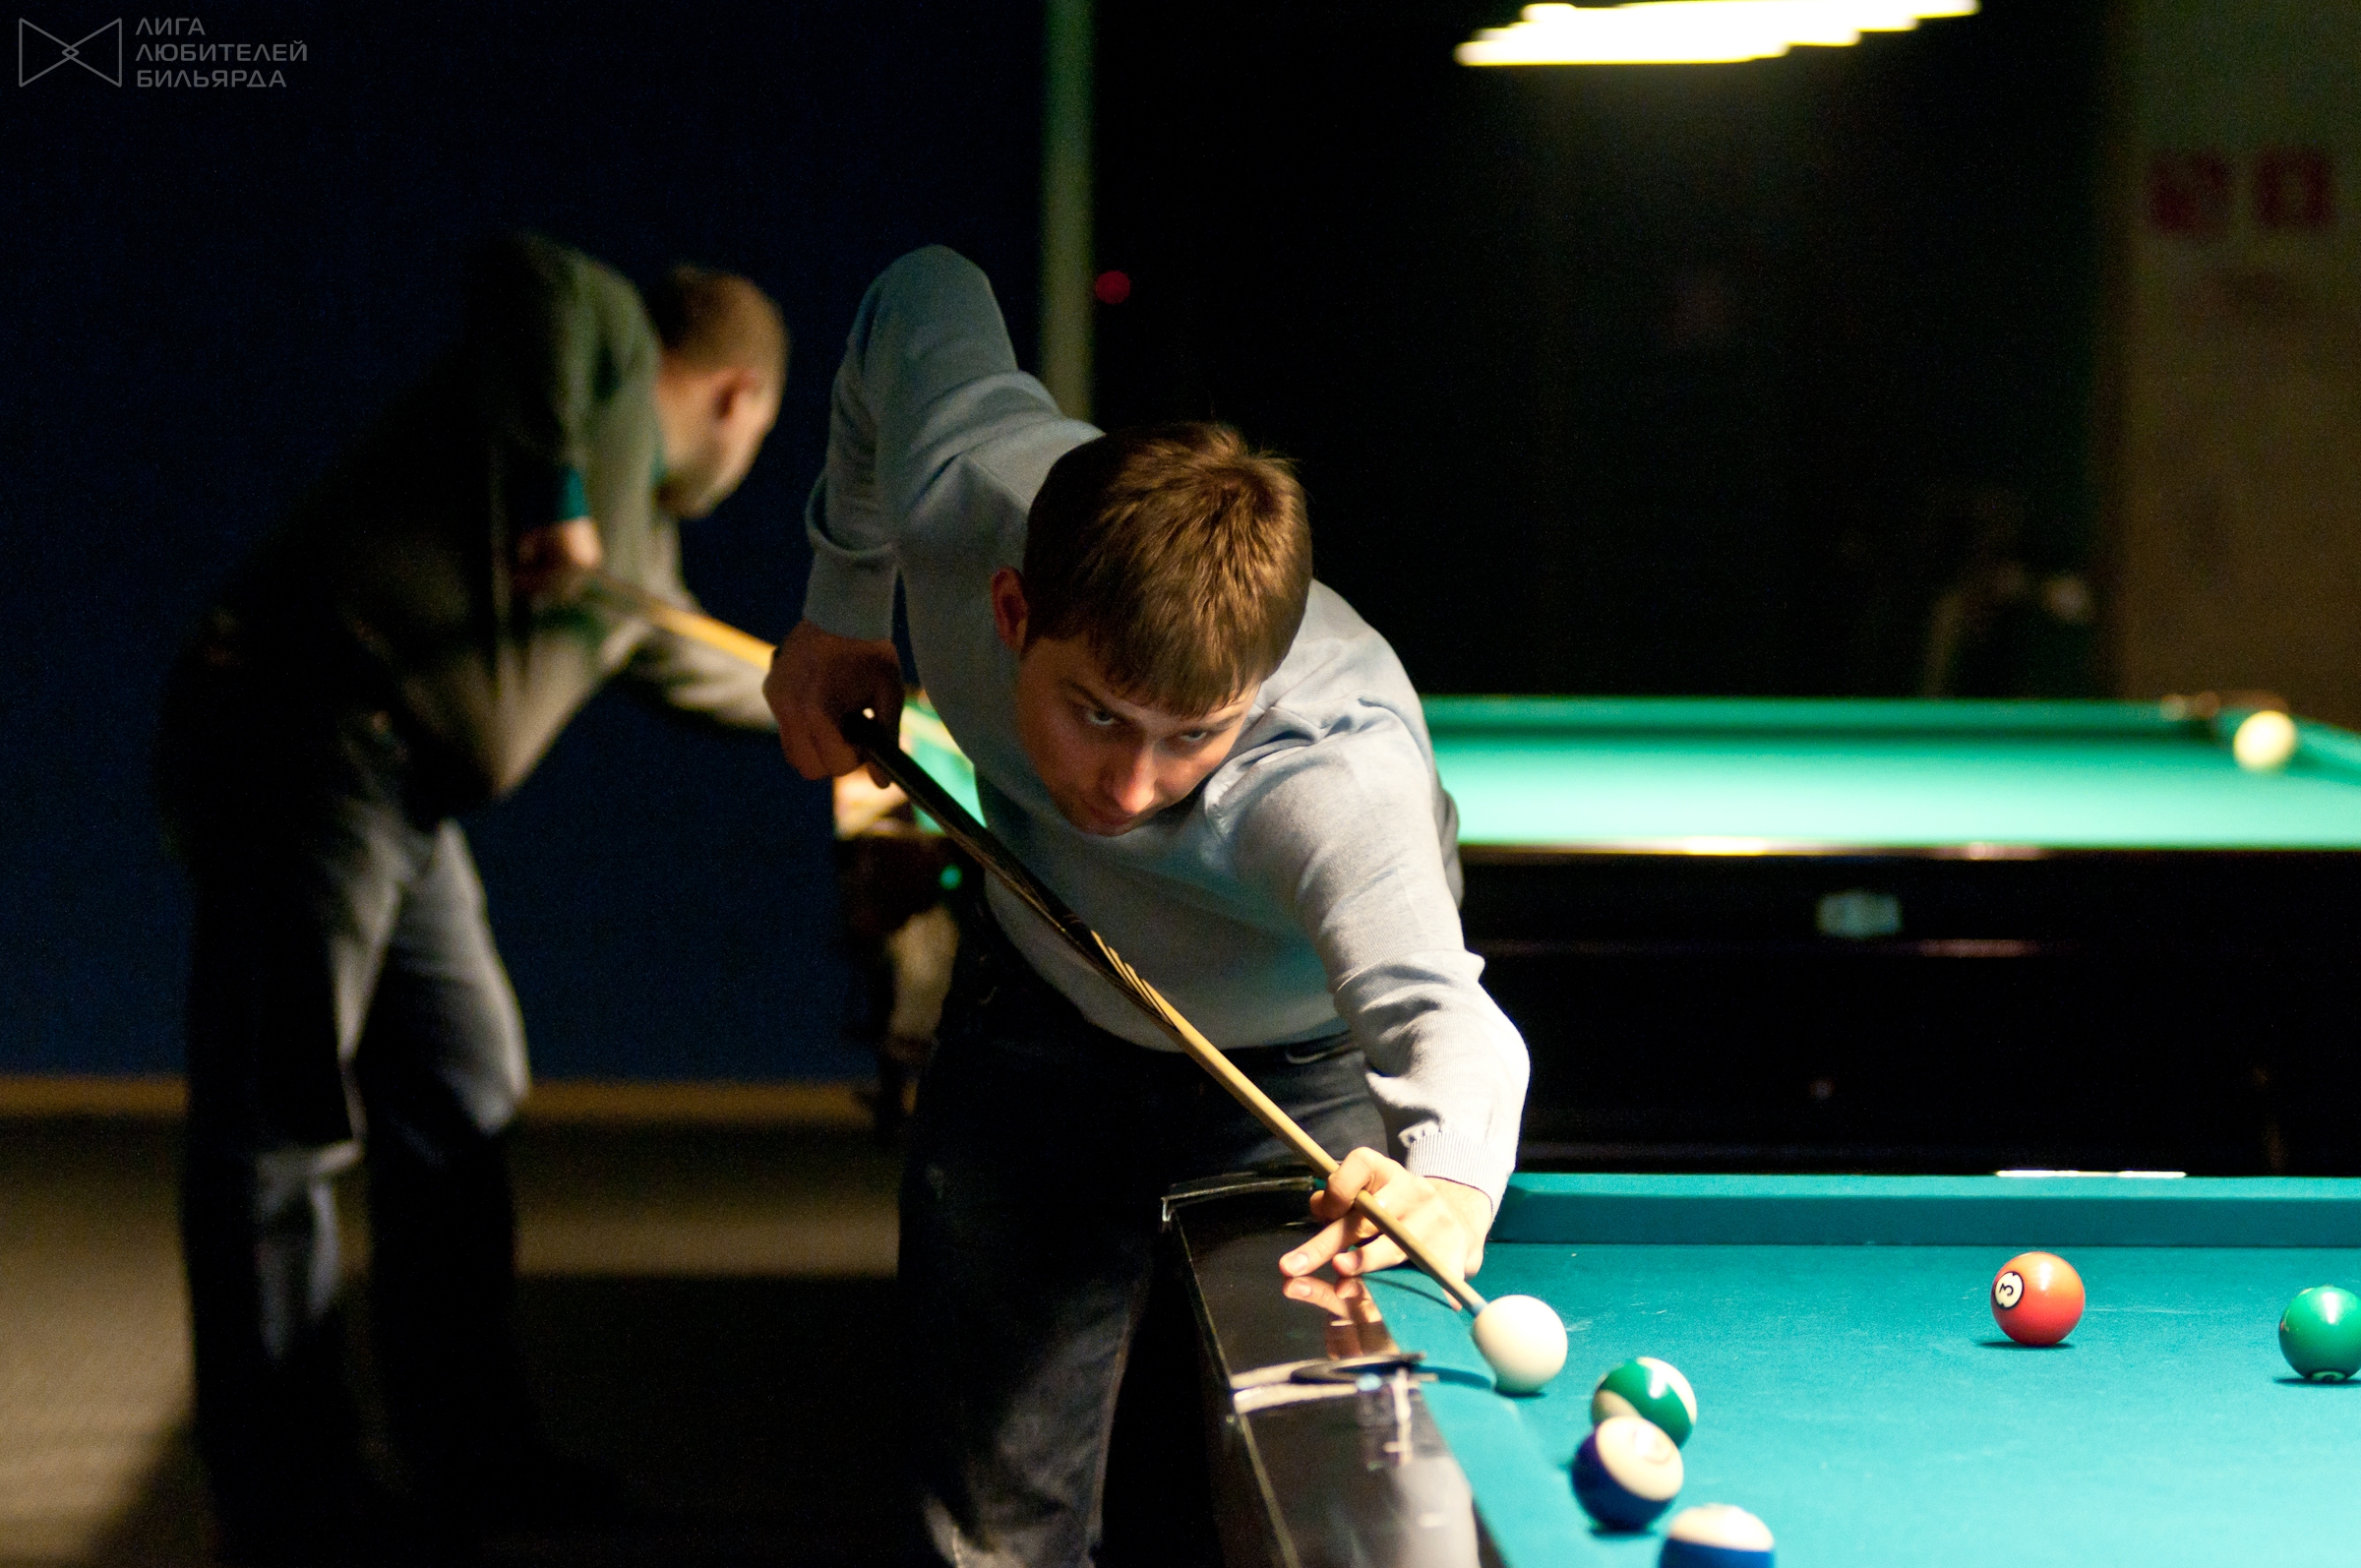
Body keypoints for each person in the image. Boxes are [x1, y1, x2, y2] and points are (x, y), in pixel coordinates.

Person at [764, 246, 1530, 1567]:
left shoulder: (1334, 781)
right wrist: (840, 608)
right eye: (1097, 712)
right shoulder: (966, 500)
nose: (1128, 787)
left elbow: (1448, 1024)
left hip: (1299, 1074)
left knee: (1335, 1517)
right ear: (1012, 610)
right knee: (992, 1529)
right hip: (1039, 1012)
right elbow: (920, 293)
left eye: (1193, 738)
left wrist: (1449, 1186)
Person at [154, 232, 785, 1565]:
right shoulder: (607, 345)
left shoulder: (638, 555)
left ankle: (469, 1454)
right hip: (306, 728)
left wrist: (894, 730)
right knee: (279, 1119)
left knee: (463, 1081)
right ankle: (284, 1500)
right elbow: (529, 275)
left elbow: (734, 678)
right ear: (739, 397)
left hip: (404, 796)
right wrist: (555, 488)